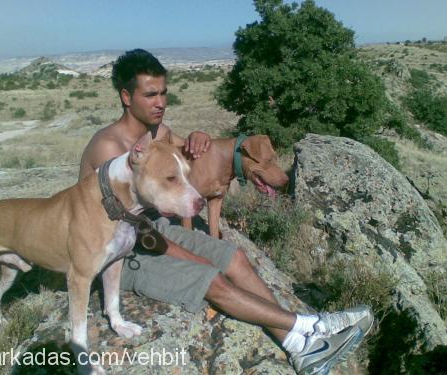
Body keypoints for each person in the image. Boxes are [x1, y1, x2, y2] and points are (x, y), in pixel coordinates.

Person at [79, 49, 373, 374]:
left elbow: (187, 151)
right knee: (210, 277)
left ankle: (298, 347)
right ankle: (311, 326)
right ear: (125, 96)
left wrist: (197, 137)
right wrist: (191, 257)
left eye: (163, 92)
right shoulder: (109, 148)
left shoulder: (157, 133)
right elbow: (133, 233)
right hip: (117, 253)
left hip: (153, 230)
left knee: (235, 258)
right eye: (150, 94)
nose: (160, 102)